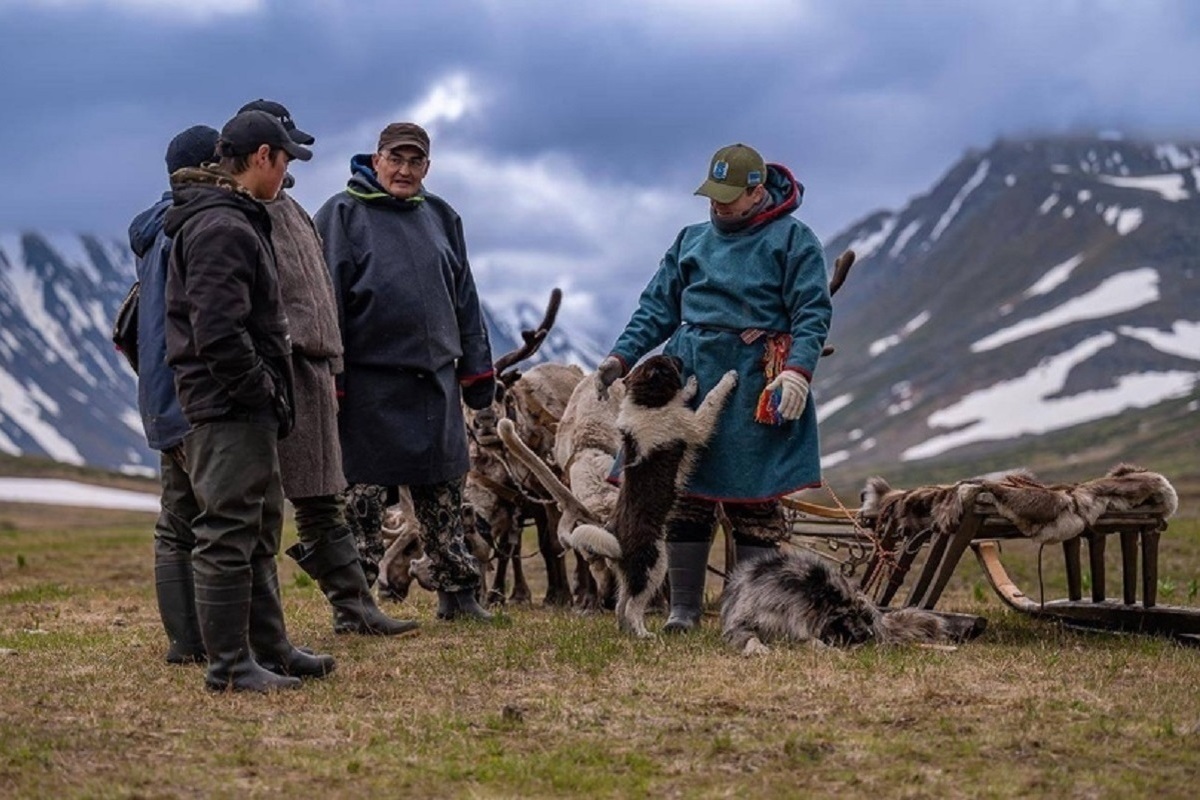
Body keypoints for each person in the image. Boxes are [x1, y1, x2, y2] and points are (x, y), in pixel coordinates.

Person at [596, 143, 832, 633]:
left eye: (729, 196)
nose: (719, 204)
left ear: (757, 191)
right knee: (685, 494)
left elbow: (812, 311)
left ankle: (743, 610)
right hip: (693, 378)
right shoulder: (691, 240)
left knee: (755, 500)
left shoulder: (794, 240)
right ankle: (683, 610)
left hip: (758, 383)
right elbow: (656, 307)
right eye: (713, 195)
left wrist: (798, 370)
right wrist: (621, 356)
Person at [164, 109, 334, 691]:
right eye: (285, 160)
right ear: (262, 156)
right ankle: (230, 667)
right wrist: (259, 390)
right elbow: (218, 331)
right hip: (229, 408)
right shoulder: (222, 228)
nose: (287, 173)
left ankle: (271, 649)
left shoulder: (232, 219)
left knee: (258, 525)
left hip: (243, 406)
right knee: (229, 529)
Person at [236, 99, 418, 637]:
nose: (291, 164)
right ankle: (253, 629)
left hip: (314, 372)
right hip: (278, 368)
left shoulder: (290, 209)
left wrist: (334, 366)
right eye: (286, 152)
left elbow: (319, 296)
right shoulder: (245, 212)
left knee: (321, 498)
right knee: (256, 509)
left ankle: (353, 607)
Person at [313, 121, 496, 622]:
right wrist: (333, 379)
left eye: (415, 162)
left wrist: (479, 377)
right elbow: (326, 302)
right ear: (376, 160)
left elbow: (465, 299)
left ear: (427, 168)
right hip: (369, 383)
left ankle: (458, 594)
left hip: (434, 381)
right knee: (363, 504)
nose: (404, 170)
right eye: (395, 159)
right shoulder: (341, 215)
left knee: (443, 493)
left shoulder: (441, 216)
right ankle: (355, 604)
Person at [128, 124, 218, 665]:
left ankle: (186, 642)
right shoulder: (191, 227)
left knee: (176, 521)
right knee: (220, 519)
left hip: (161, 390)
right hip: (195, 389)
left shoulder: (153, 230)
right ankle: (220, 639)